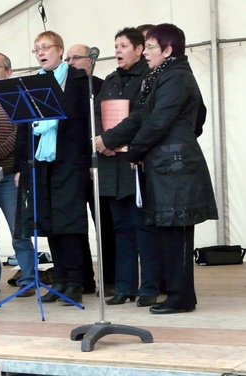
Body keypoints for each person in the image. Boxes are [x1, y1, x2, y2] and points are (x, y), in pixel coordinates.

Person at [96, 23, 218, 314]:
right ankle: (179, 295)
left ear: (168, 50)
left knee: (176, 233)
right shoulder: (161, 77)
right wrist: (108, 139)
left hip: (174, 166)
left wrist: (133, 152)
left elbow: (157, 122)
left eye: (151, 47)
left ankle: (180, 297)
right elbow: (140, 117)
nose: (146, 51)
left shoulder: (175, 78)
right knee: (170, 232)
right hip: (166, 163)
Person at [14, 31, 91, 304]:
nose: (40, 53)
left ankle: (75, 281)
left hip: (69, 159)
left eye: (45, 47)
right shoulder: (32, 83)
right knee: (49, 223)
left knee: (68, 223)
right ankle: (58, 280)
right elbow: (23, 128)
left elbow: (84, 121)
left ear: (60, 51)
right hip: (41, 162)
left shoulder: (79, 80)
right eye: (36, 50)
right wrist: (20, 166)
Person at [93, 27, 161, 307]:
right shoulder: (109, 80)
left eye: (123, 45)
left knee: (142, 226)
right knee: (120, 228)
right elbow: (98, 113)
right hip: (111, 163)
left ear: (139, 49)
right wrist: (102, 141)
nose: (118, 50)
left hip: (135, 160)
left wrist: (112, 139)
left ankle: (149, 288)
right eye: (115, 45)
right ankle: (124, 287)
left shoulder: (148, 78)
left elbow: (142, 118)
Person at [65, 43, 117, 296]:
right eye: (68, 58)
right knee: (75, 225)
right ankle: (83, 278)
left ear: (90, 60)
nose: (71, 62)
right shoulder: (64, 89)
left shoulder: (100, 86)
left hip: (100, 164)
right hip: (74, 166)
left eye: (76, 57)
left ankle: (110, 279)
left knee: (104, 224)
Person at [0, 52, 35, 297]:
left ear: (8, 71)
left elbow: (20, 135)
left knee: (19, 231)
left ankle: (29, 278)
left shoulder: (16, 100)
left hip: (6, 176)